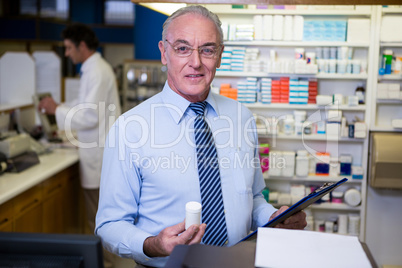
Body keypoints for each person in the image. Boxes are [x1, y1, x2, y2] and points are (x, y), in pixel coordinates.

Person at [95, 5, 306, 268]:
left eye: (207, 49)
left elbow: (251, 198)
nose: (195, 62)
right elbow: (110, 224)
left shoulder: (241, 118)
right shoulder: (130, 128)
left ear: (219, 56)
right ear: (164, 52)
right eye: (182, 48)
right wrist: (153, 244)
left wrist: (273, 218)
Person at [38, 23, 121, 268]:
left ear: (82, 46)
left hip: (98, 154)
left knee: (97, 217)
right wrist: (60, 106)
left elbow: (89, 116)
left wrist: (57, 110)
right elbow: (83, 104)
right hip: (96, 150)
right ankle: (105, 261)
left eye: (68, 48)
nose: (66, 54)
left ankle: (105, 264)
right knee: (97, 216)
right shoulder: (94, 68)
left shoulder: (96, 71)